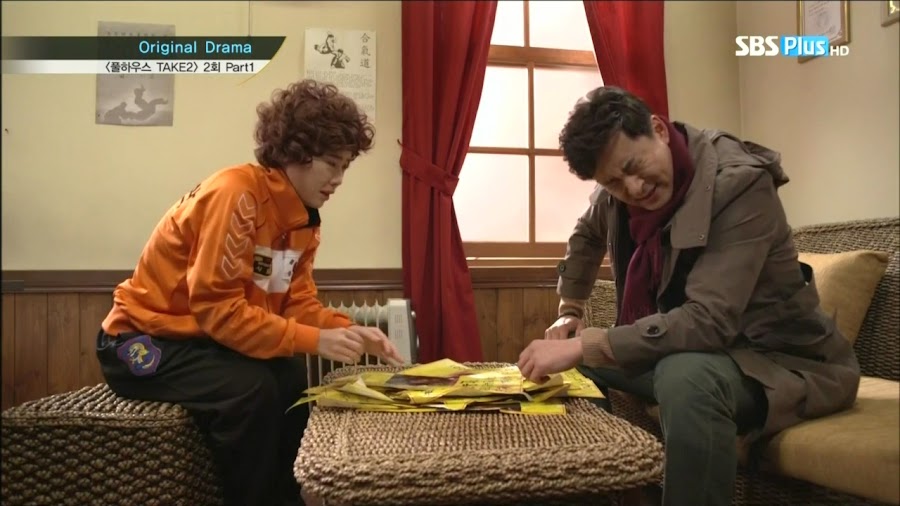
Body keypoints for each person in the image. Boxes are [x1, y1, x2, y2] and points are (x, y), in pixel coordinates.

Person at [517, 86, 860, 506]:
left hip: (781, 363)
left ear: (659, 130)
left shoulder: (740, 184)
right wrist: (569, 311)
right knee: (579, 367)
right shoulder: (617, 189)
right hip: (696, 349)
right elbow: (587, 235)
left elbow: (709, 321)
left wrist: (587, 344)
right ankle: (613, 491)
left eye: (634, 167)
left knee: (685, 375)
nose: (633, 188)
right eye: (614, 183)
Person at [96, 79, 404, 506]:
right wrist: (315, 339)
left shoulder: (302, 220)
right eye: (332, 164)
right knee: (251, 388)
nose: (338, 179)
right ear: (296, 152)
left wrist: (345, 328)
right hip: (138, 343)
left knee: (289, 374)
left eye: (345, 167)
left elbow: (294, 302)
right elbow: (218, 311)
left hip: (200, 341)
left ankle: (290, 497)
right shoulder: (236, 195)